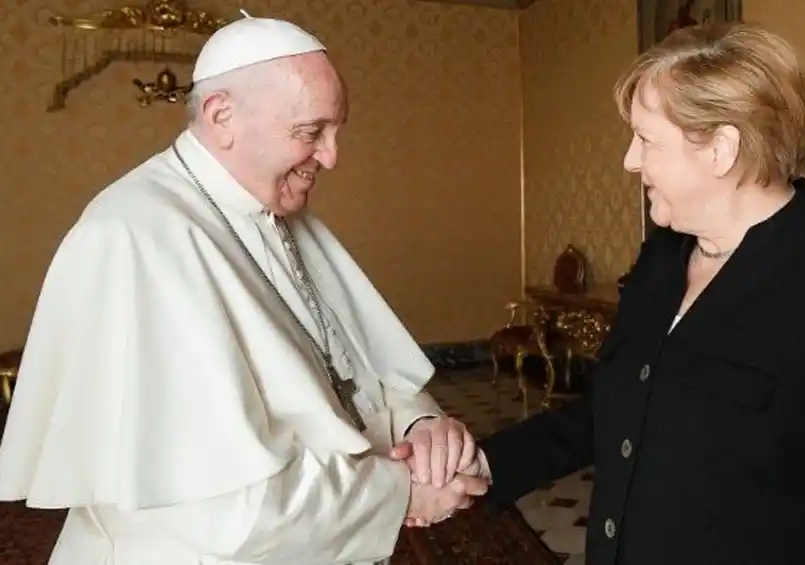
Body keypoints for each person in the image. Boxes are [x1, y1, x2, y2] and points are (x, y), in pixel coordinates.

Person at [460, 22, 805, 565]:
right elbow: (617, 410)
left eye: (646, 140)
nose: (630, 161)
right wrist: (486, 464)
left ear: (720, 148)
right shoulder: (663, 257)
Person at [0, 15, 483, 565]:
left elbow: (351, 371)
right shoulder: (132, 237)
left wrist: (422, 426)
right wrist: (404, 492)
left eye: (335, 130)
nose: (331, 156)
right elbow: (219, 509)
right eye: (310, 132)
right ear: (222, 116)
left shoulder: (280, 213)